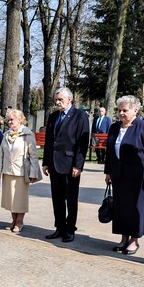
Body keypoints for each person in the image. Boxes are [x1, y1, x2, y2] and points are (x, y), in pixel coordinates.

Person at [104, 96, 144, 255]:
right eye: (119, 110)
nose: (121, 113)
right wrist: (108, 172)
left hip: (138, 176)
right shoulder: (114, 127)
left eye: (125, 110)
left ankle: (134, 240)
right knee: (121, 207)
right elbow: (110, 152)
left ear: (135, 110)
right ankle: (123, 238)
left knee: (136, 208)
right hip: (118, 175)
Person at [42, 87, 89, 242]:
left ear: (70, 99)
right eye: (56, 100)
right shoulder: (53, 116)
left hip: (70, 165)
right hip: (54, 164)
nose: (57, 102)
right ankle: (60, 227)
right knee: (57, 198)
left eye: (60, 99)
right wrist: (46, 162)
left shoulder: (79, 116)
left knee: (71, 198)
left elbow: (82, 143)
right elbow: (49, 140)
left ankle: (70, 229)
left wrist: (78, 165)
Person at [0, 109, 41, 233]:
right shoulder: (6, 134)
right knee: (10, 199)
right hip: (8, 171)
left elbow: (33, 155)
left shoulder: (27, 134)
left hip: (21, 172)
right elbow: (0, 155)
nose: (9, 122)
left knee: (19, 199)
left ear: (20, 120)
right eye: (8, 120)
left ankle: (19, 221)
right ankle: (13, 220)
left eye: (12, 120)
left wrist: (34, 172)